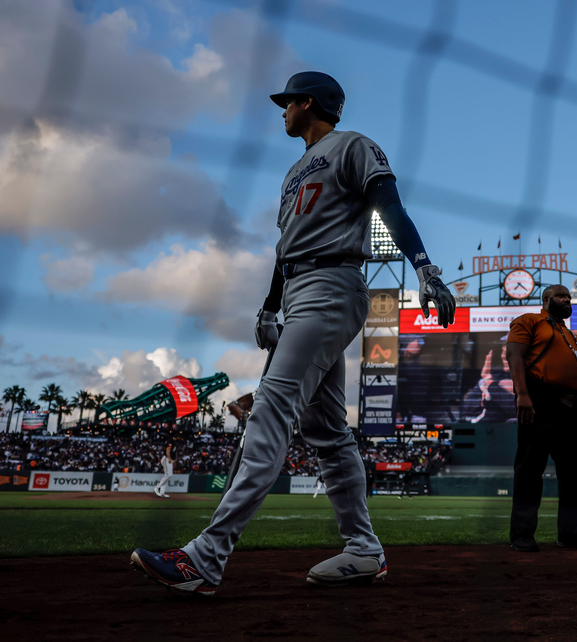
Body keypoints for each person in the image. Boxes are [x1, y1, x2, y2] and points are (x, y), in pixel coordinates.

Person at [131, 71, 455, 594]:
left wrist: (424, 268)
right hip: (301, 290)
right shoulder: (291, 172)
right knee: (326, 431)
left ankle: (205, 559)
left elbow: (389, 205)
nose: (282, 110)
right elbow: (286, 253)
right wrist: (268, 307)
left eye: (288, 102)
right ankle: (364, 550)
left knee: (271, 411)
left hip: (332, 286)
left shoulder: (353, 145)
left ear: (310, 102)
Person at [505, 284, 577, 552]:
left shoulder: (573, 337)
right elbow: (514, 355)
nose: (568, 300)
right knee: (530, 470)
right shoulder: (529, 321)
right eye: (562, 296)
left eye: (570, 297)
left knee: (574, 475)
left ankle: (570, 532)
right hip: (539, 402)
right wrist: (522, 395)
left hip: (573, 409)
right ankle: (522, 535)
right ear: (547, 299)